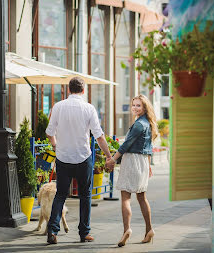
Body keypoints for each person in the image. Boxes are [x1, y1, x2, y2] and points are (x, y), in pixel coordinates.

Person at [45, 77, 112, 244]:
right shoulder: (89, 108)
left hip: (63, 157)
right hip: (83, 157)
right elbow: (99, 136)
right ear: (83, 90)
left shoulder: (58, 107)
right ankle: (84, 233)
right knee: (85, 195)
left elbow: (49, 131)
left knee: (60, 195)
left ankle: (52, 231)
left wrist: (55, 146)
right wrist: (109, 156)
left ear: (69, 90)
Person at [105, 94, 158, 247]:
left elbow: (125, 145)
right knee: (142, 198)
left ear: (144, 107)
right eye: (133, 105)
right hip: (142, 162)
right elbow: (148, 148)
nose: (135, 108)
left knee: (126, 198)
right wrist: (148, 166)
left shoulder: (138, 125)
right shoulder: (147, 123)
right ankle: (149, 230)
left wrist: (112, 160)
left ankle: (126, 230)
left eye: (138, 105)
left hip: (131, 161)